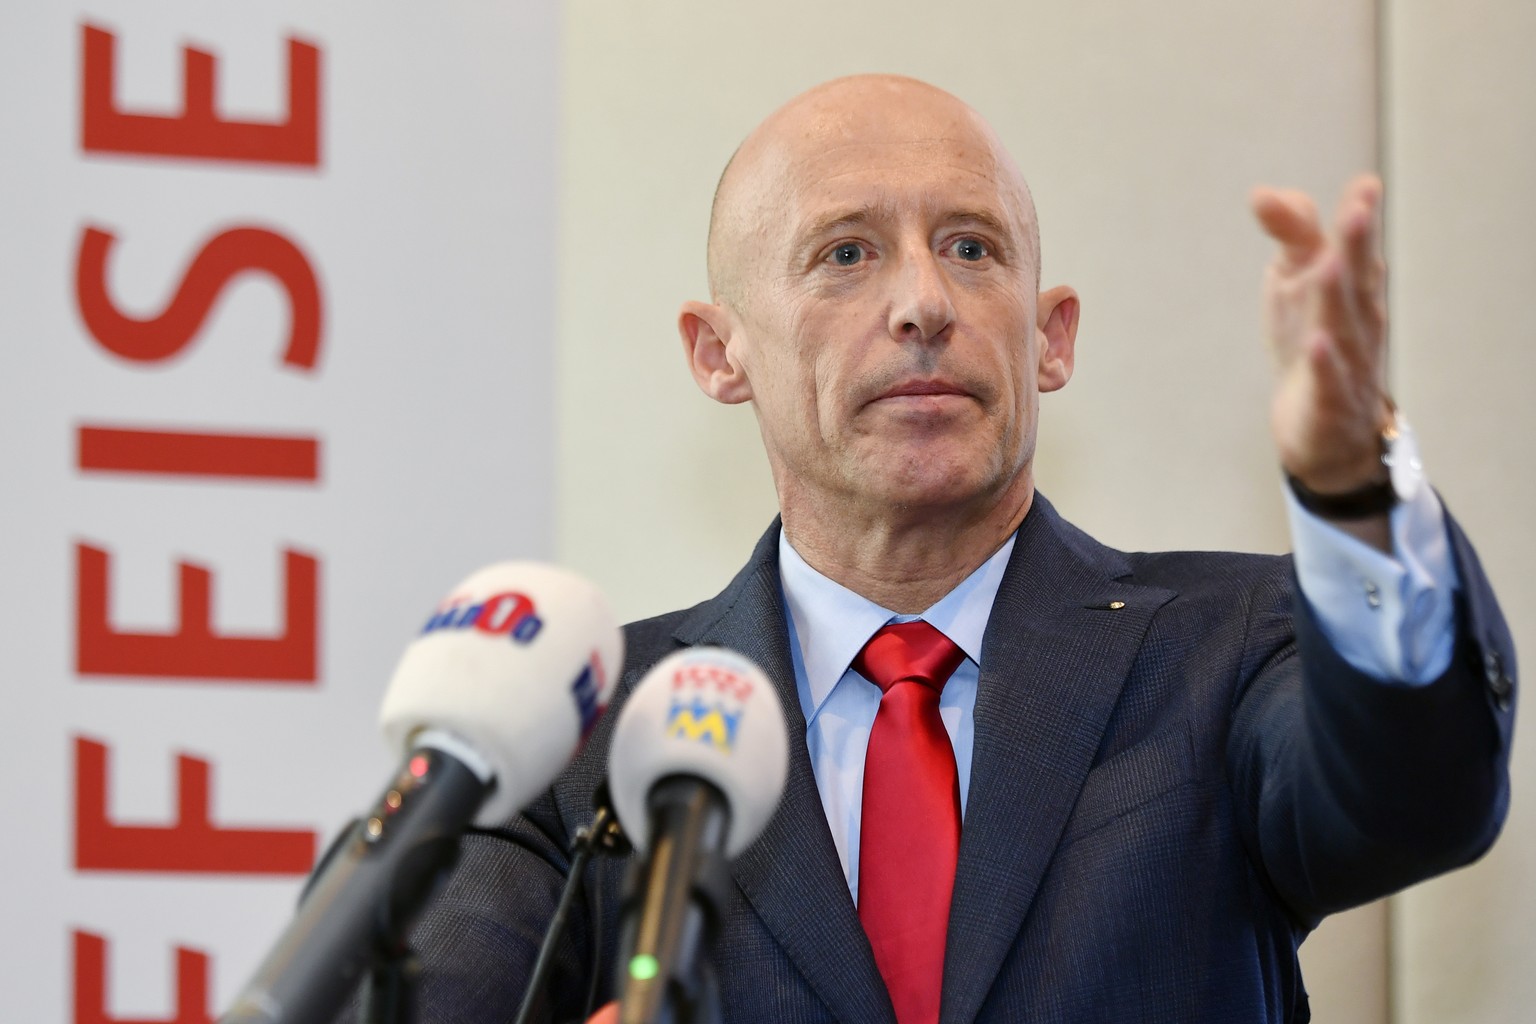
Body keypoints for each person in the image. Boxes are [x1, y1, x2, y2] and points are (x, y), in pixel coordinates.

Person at [391, 75, 1515, 1023]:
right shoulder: (588, 728)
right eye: (846, 254)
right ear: (717, 352)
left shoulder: (1234, 648)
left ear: (1050, 335)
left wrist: (1353, 482)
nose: (924, 302)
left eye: (971, 248)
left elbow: (1422, 794)